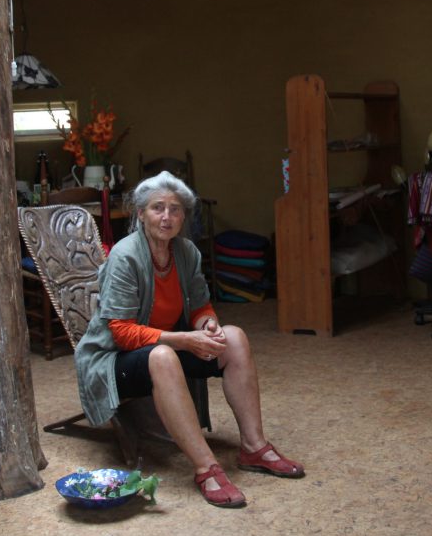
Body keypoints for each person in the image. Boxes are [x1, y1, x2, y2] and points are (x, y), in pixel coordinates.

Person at [73, 171, 303, 508]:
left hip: (164, 347)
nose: (166, 216)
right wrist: (184, 339)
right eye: (157, 208)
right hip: (114, 359)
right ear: (141, 213)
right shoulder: (126, 256)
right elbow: (121, 332)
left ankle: (254, 447)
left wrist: (208, 325)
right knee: (163, 355)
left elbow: (200, 306)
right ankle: (206, 467)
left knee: (234, 338)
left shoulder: (187, 252)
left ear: (183, 217)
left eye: (175, 209)